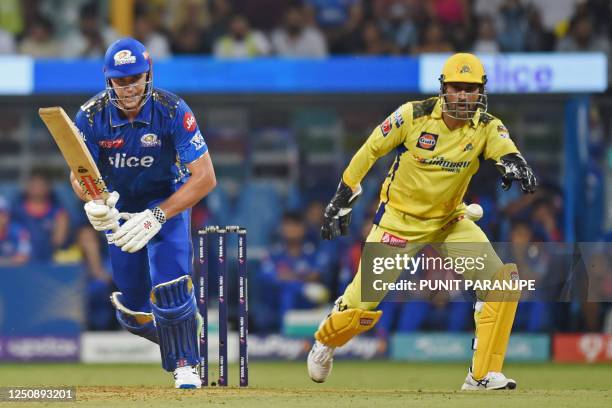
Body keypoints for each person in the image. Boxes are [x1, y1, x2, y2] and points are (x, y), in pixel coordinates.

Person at [307, 53, 537, 390]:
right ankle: (325, 343)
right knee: (360, 307)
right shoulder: (412, 115)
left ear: (481, 91)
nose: (464, 95)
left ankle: (481, 376)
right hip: (398, 223)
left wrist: (515, 163)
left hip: (450, 222)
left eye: (471, 89)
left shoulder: (487, 126)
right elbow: (371, 149)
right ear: (443, 88)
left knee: (502, 283)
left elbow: (506, 149)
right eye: (457, 87)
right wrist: (344, 195)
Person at [70, 38, 216, 388]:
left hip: (166, 205)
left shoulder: (172, 109)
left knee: (171, 287)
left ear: (149, 75)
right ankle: (182, 337)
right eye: (121, 80)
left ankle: (185, 365)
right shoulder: (90, 116)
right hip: (119, 211)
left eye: (136, 78)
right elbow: (79, 173)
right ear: (108, 80)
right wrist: (93, 202)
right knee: (133, 312)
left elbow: (206, 177)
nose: (129, 87)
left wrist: (159, 216)